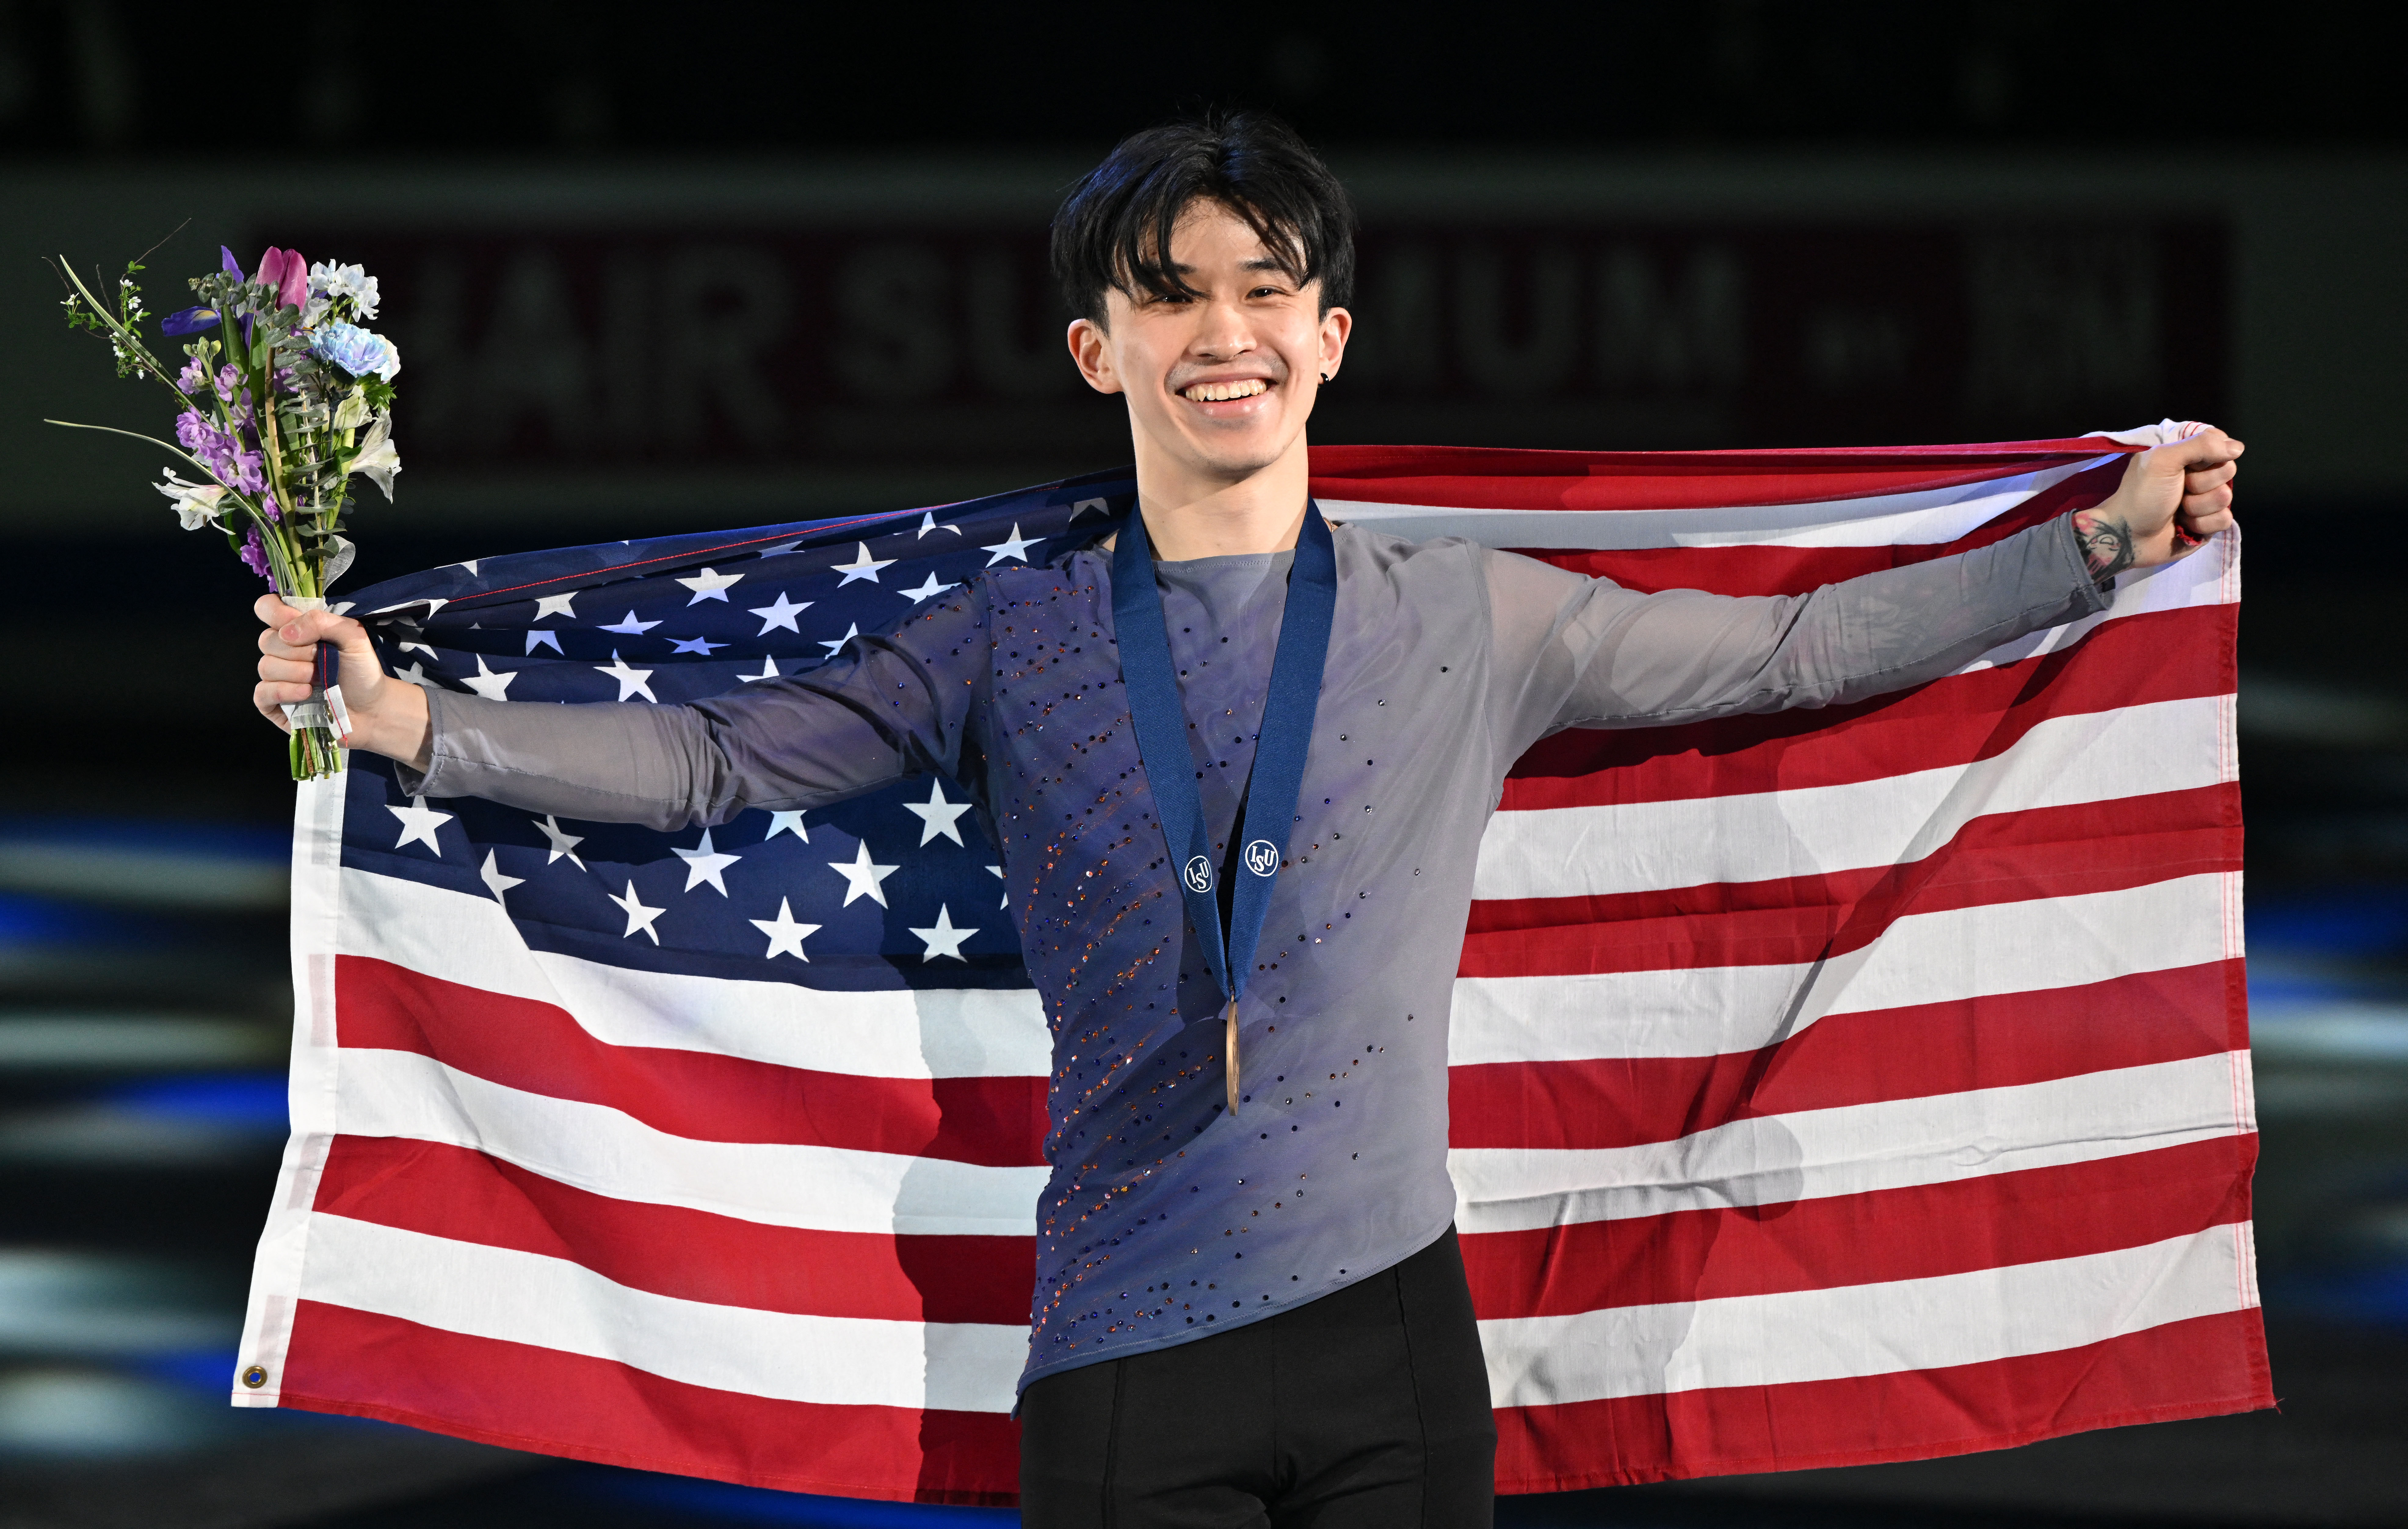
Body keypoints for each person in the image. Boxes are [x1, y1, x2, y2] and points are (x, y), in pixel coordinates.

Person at [251, 113, 2241, 1529]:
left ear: (1333, 340)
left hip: (1399, 1361)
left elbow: (1796, 651)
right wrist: (406, 712)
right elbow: (707, 761)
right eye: (1174, 296)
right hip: (1125, 1363)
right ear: (1095, 351)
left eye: (1268, 290)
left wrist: (2092, 544)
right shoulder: (1010, 636)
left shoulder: (1468, 613)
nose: (1227, 330)